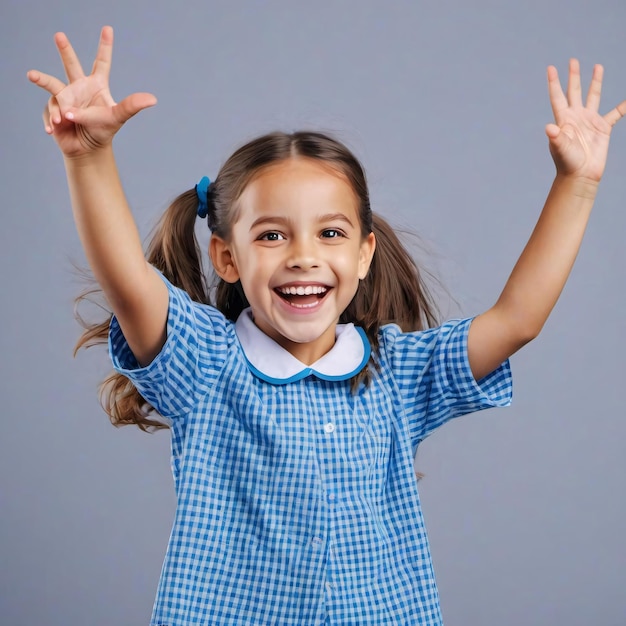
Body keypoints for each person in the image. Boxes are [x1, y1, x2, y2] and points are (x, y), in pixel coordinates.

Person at [28, 25, 624, 626]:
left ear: (363, 255)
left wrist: (578, 183)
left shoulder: (396, 374)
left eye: (330, 233)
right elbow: (128, 280)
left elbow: (518, 320)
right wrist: (90, 157)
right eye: (271, 234)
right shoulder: (205, 364)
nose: (303, 255)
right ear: (227, 258)